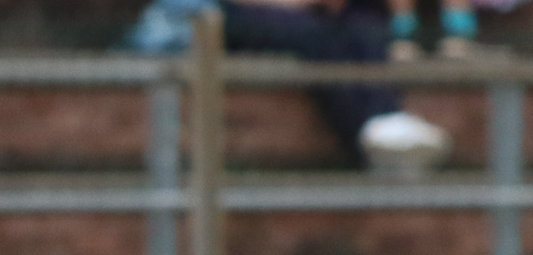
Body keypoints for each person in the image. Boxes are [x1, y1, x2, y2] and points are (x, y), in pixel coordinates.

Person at [125, 0, 454, 172]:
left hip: (291, 12)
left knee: (360, 25)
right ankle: (370, 131)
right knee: (317, 36)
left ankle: (387, 119)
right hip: (208, 15)